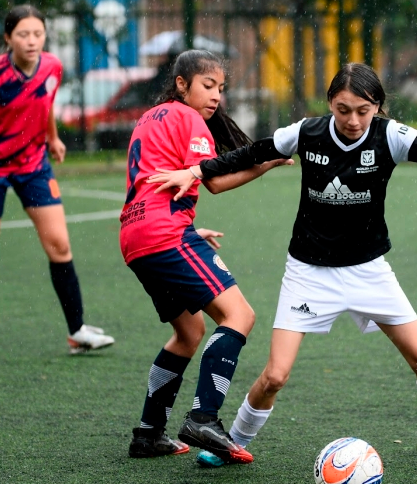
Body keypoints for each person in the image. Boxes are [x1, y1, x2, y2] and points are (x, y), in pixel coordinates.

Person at [150, 62, 417, 466]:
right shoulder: (306, 131)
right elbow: (255, 151)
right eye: (343, 109)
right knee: (275, 376)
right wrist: (197, 169)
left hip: (369, 270)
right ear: (331, 103)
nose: (352, 120)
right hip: (308, 272)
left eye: (363, 111)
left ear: (378, 107)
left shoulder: (392, 136)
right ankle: (230, 444)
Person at [120, 49, 292, 461]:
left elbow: (150, 182)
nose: (216, 96)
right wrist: (263, 165)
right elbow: (212, 180)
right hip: (165, 234)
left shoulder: (150, 116)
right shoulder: (188, 117)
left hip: (135, 235)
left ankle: (148, 434)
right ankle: (203, 418)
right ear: (182, 84)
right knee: (240, 316)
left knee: (189, 333)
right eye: (208, 85)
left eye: (221, 88)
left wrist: (189, 226)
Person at [0, 4, 115, 360]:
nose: (31, 41)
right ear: (8, 38)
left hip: (34, 164)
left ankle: (77, 331)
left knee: (59, 245)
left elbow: (45, 102)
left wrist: (52, 137)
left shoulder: (53, 66)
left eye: (37, 34)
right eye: (23, 34)